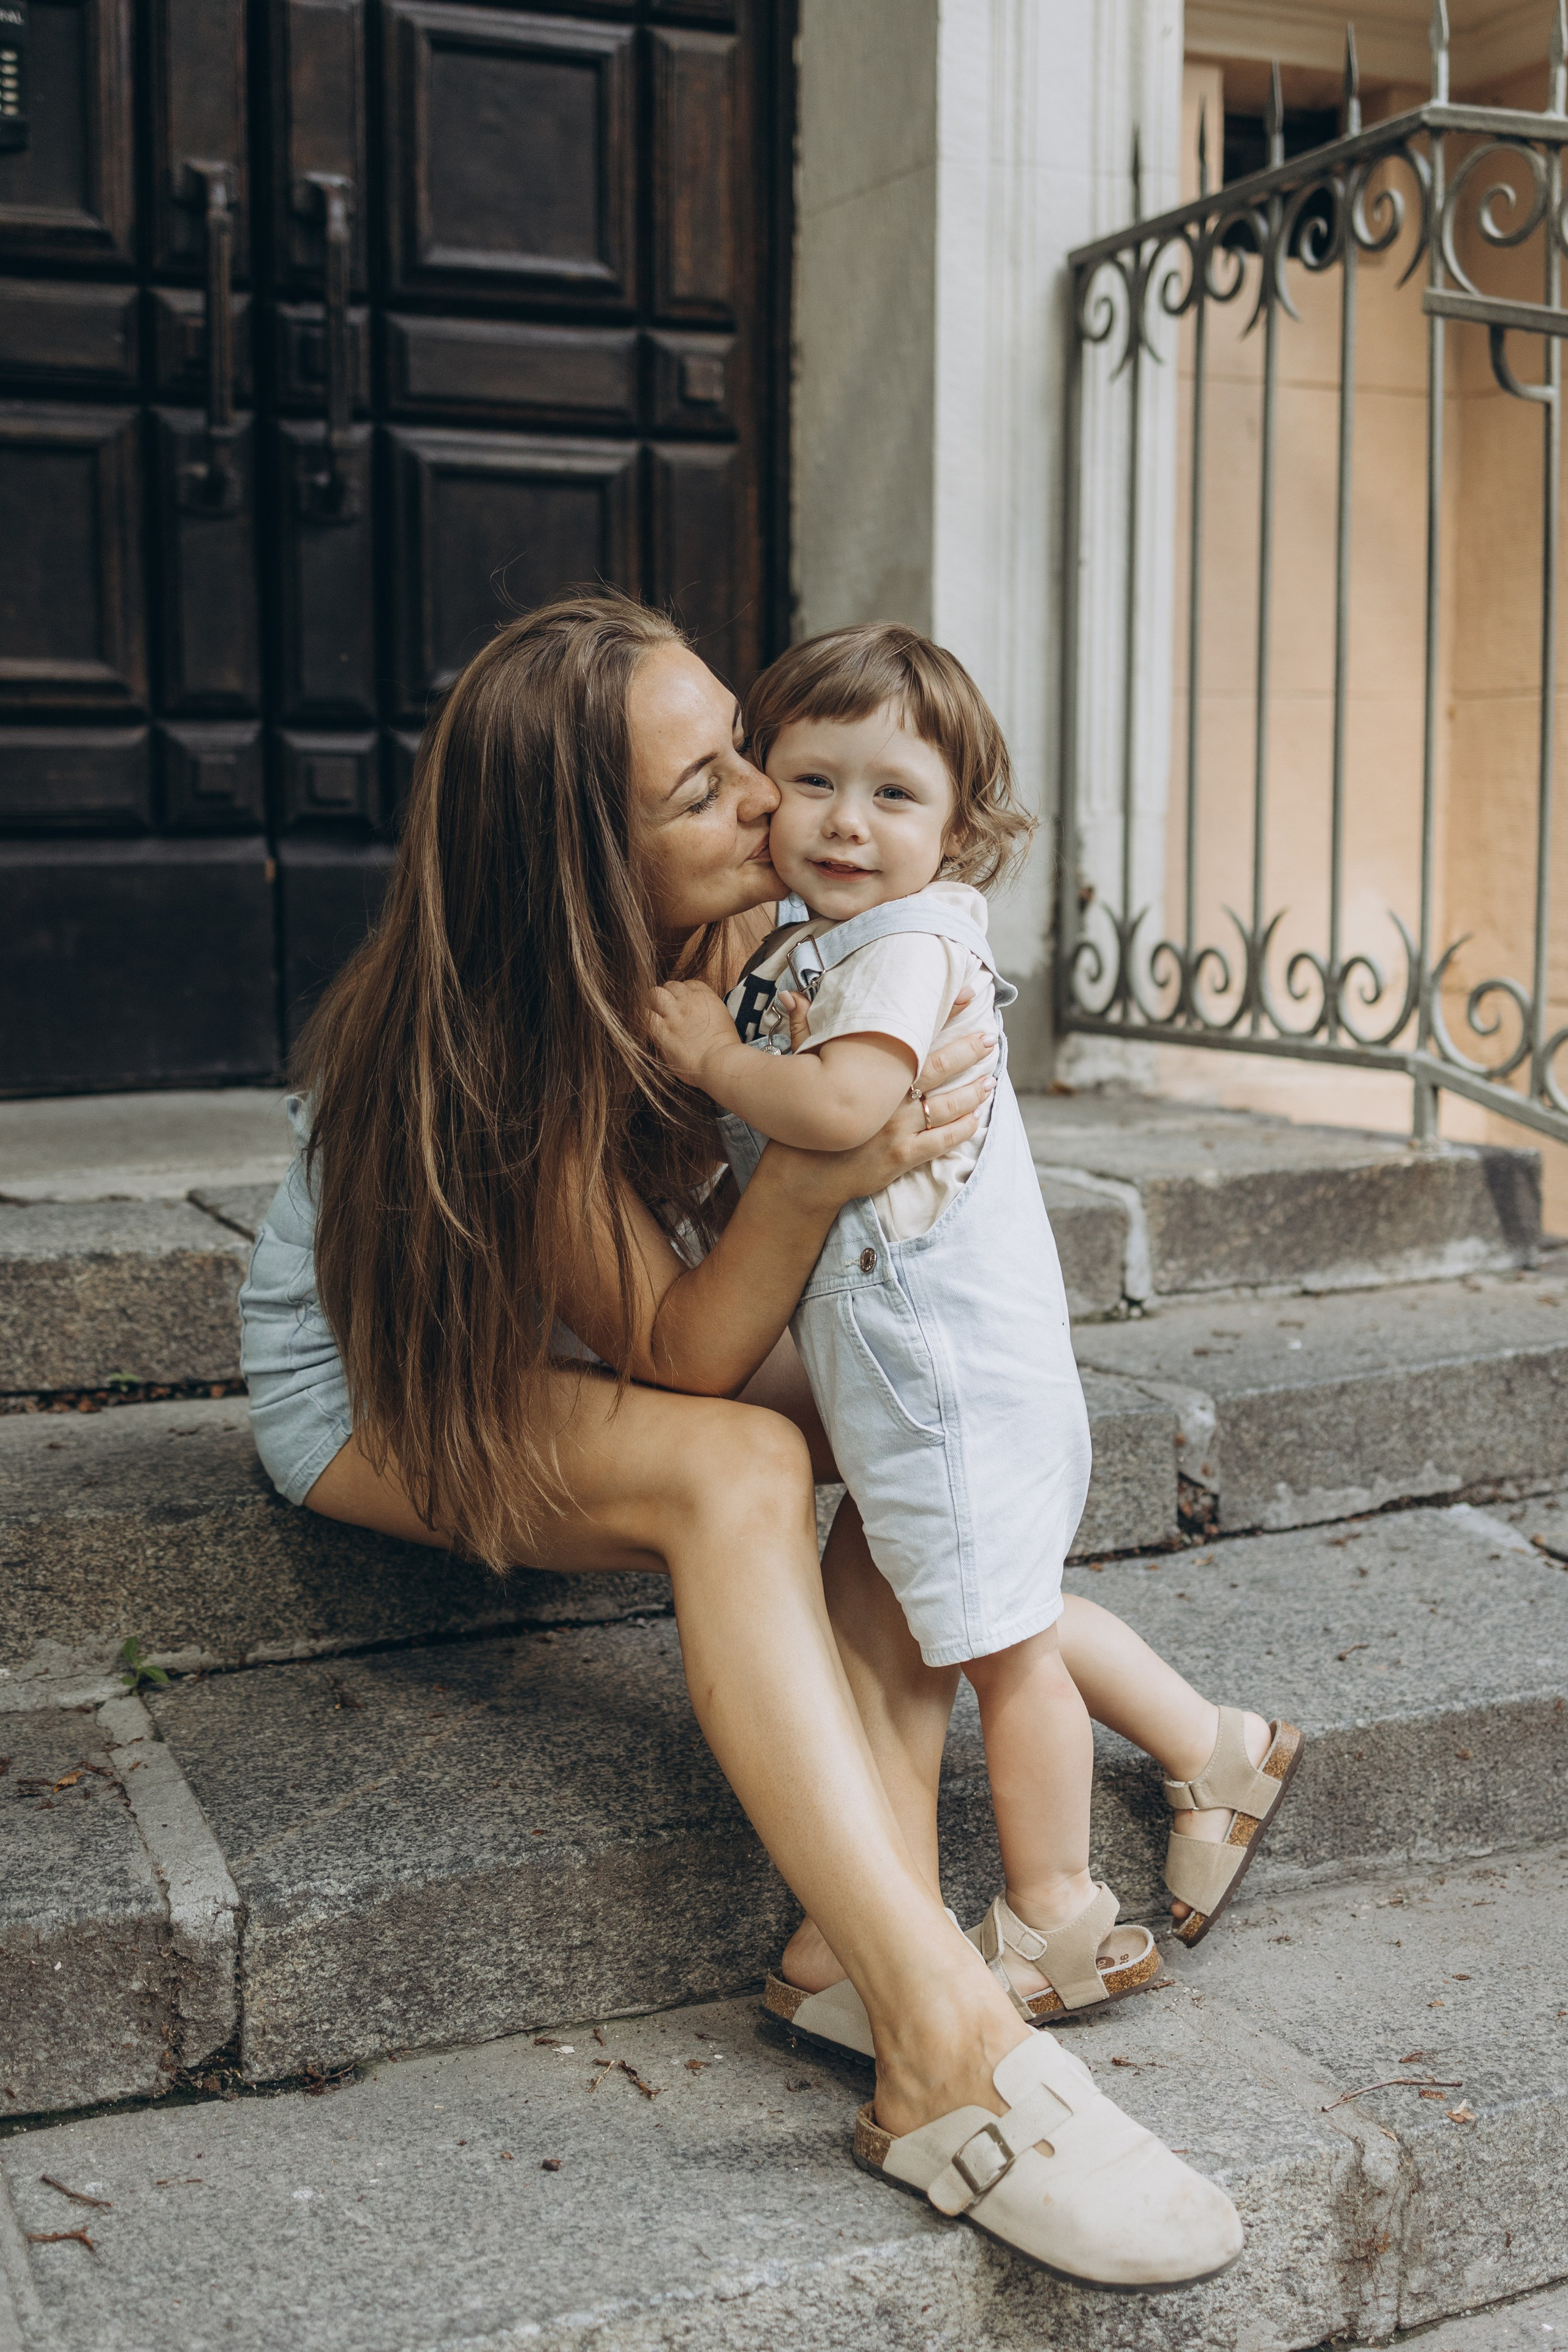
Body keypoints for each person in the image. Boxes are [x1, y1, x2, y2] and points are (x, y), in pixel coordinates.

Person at [239, 589, 1260, 2292]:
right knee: (746, 1467)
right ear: (586, 861)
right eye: (704, 787)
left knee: (903, 1411)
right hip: (380, 1391)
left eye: (738, 749)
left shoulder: (763, 922)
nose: (767, 801)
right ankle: (939, 2039)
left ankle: (846, 1933)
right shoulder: (512, 1036)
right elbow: (688, 1354)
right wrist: (819, 1162)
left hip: (593, 1333)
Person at [649, 624, 1278, 2041]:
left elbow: (841, 1111)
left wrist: (710, 1059)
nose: (845, 822)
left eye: (893, 795)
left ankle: (1057, 1916)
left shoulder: (901, 948)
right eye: (814, 781)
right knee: (990, 1606)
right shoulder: (834, 941)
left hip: (941, 1377)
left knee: (1003, 1651)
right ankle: (1213, 1750)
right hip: (934, 1368)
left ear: (958, 828)